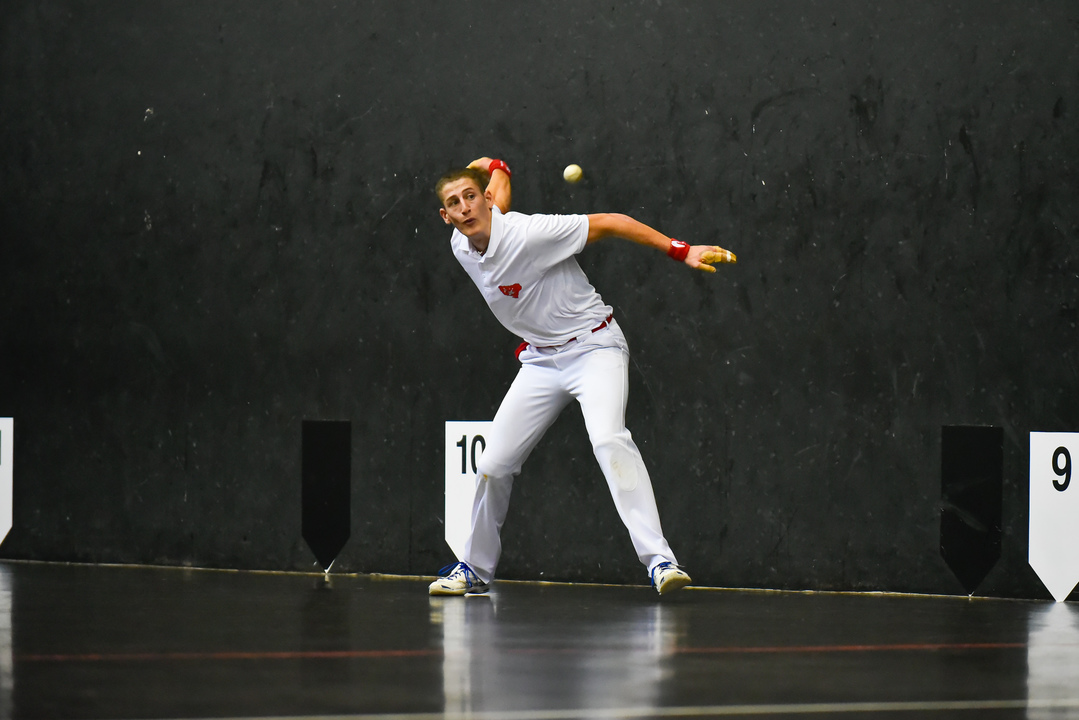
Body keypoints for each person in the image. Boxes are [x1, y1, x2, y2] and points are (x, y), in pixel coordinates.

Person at [430, 157, 736, 596]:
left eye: (471, 196)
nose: (465, 207)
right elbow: (495, 201)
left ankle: (660, 561)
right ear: (446, 216)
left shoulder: (532, 233)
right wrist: (499, 167)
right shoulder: (462, 244)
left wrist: (680, 250)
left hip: (594, 347)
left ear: (486, 201)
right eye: (454, 203)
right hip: (540, 362)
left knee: (609, 439)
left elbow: (610, 222)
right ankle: (475, 569)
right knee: (493, 465)